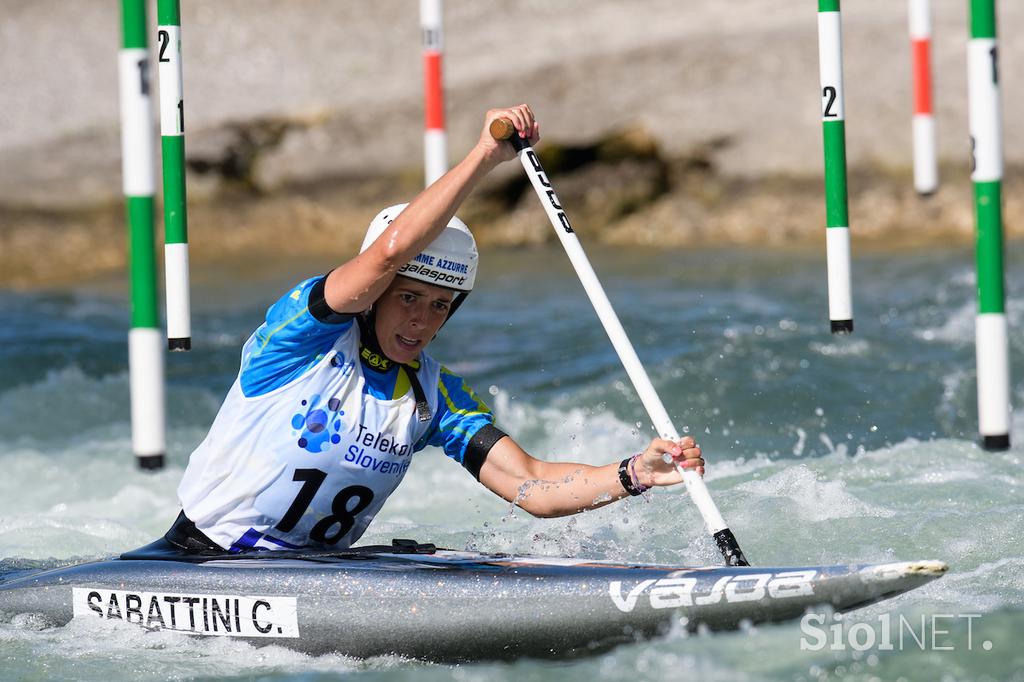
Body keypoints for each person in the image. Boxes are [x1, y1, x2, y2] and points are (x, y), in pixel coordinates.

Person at [166, 105, 704, 553]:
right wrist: (487, 156)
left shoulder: (434, 394)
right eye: (407, 298)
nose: (422, 319)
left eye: (440, 305)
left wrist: (636, 472)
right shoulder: (301, 339)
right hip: (200, 561)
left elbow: (533, 486)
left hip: (317, 577)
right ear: (375, 295)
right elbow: (390, 252)